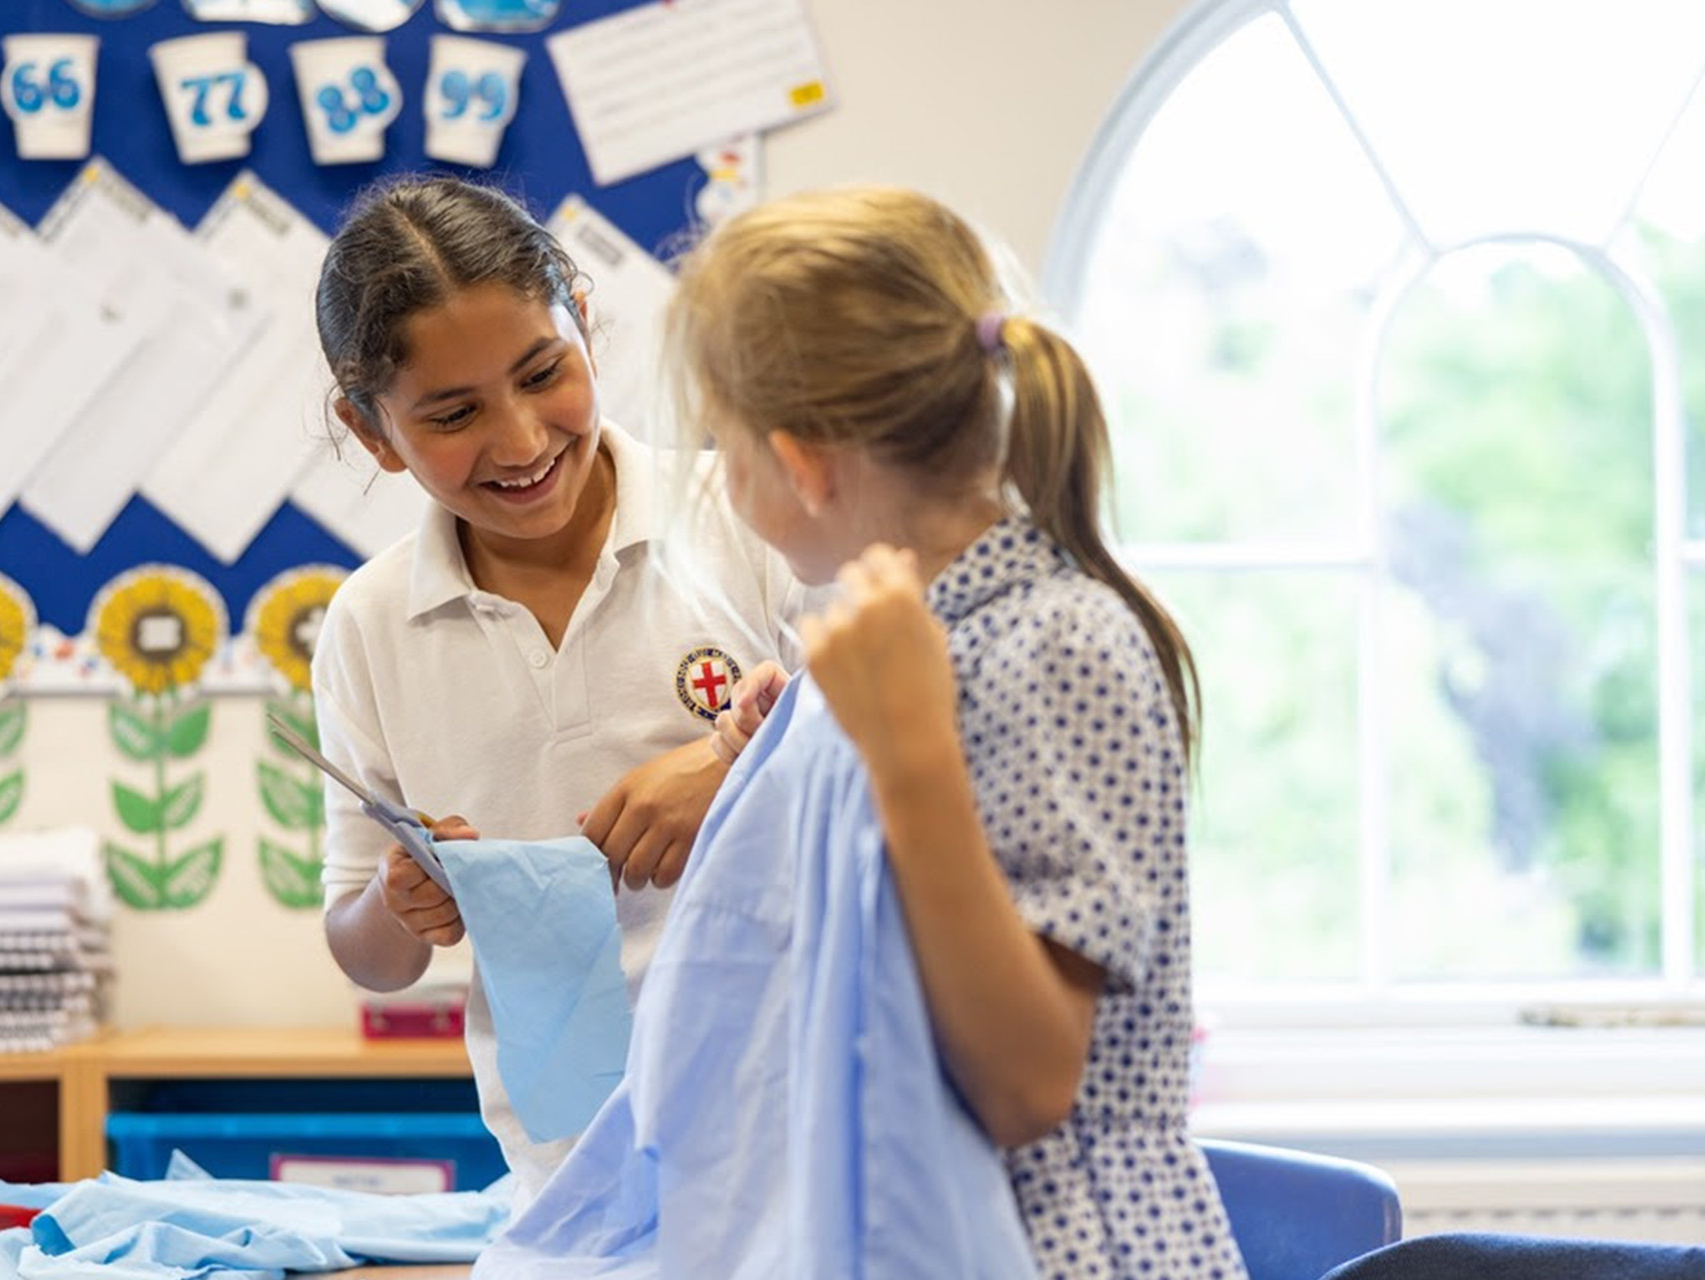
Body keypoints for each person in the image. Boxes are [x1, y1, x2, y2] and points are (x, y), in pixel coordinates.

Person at [674, 186, 1244, 1278]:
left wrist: (908, 757)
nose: (721, 472)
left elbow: (1028, 1083)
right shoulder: (912, 635)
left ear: (800, 464)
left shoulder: (1056, 642)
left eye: (721, 436)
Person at [306, 174, 808, 1208]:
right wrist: (403, 903)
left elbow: (908, 747)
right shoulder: (370, 623)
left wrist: (729, 763)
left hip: (796, 1128)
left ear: (582, 318)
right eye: (453, 413)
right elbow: (366, 952)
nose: (523, 440)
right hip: (568, 1174)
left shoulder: (749, 513)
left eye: (544, 373)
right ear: (371, 431)